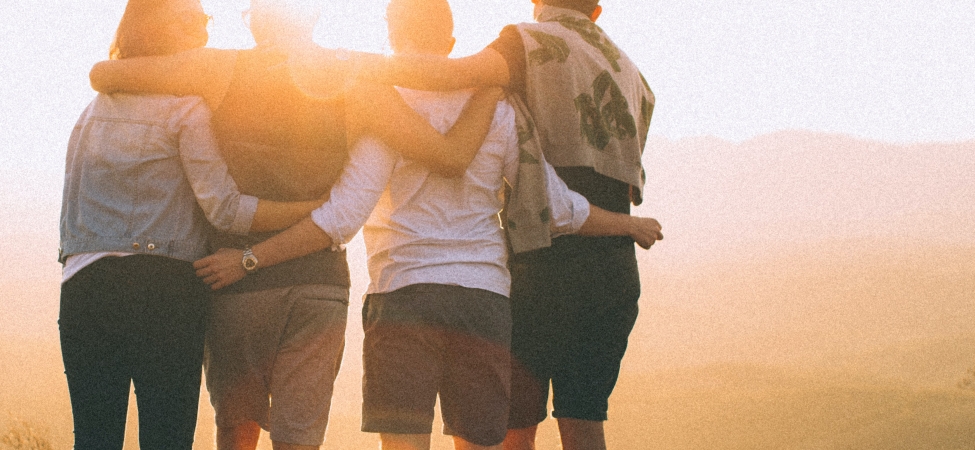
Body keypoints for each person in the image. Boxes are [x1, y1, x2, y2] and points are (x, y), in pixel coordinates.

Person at [192, 1, 662, 449]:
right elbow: (557, 209)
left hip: (403, 296)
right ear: (452, 40)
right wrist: (628, 224)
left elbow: (341, 217)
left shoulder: (384, 111)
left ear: (391, 36)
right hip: (483, 300)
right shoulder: (498, 109)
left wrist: (251, 259)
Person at [87, 2, 501, 450]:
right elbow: (449, 157)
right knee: (299, 441)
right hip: (317, 283)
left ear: (255, 18)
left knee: (235, 432)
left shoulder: (217, 69)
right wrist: (491, 87)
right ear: (313, 16)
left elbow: (104, 75)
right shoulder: (356, 81)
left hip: (235, 283)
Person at [359, 1, 658, 449]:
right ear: (595, 11)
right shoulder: (631, 73)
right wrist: (628, 226)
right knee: (585, 420)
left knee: (514, 429)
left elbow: (450, 75)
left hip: (542, 262)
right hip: (613, 267)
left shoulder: (528, 43)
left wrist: (349, 66)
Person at [57, 0, 327, 448]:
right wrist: (309, 208)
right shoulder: (186, 108)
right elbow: (224, 209)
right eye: (194, 20)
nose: (205, 30)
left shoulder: (92, 111)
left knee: (93, 438)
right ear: (165, 31)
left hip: (85, 286)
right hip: (164, 290)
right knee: (166, 438)